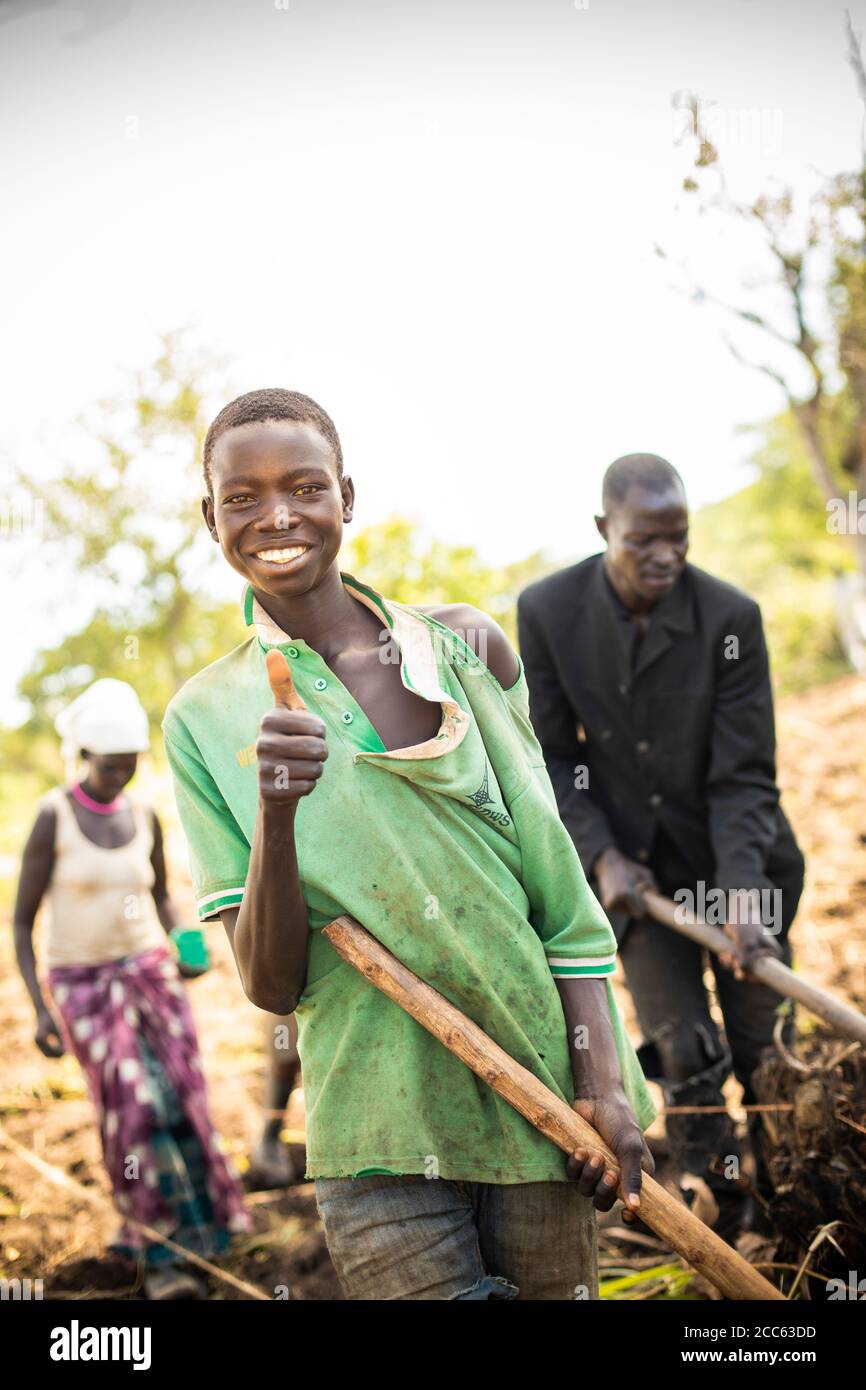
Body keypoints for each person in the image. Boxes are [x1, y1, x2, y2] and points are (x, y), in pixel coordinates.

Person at [162, 388, 657, 1302]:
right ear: (210, 517)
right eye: (242, 498)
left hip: (543, 1103)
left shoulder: (457, 652)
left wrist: (607, 1085)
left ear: (347, 498)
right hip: (375, 1132)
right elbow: (272, 986)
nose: (276, 517)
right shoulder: (203, 717)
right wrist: (276, 814)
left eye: (305, 487)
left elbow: (558, 895)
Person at [517, 453, 805, 1236]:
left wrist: (743, 893)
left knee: (767, 1047)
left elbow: (744, 776)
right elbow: (554, 757)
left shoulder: (729, 618)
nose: (665, 556)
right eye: (644, 540)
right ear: (604, 528)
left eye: (678, 538)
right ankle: (727, 1214)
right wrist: (602, 853)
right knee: (685, 1050)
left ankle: (799, 1206)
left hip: (740, 864)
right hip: (632, 878)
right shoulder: (548, 612)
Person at [12, 679, 249, 1300]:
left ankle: (206, 1232)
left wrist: (187, 944)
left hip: (148, 973)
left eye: (131, 766)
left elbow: (162, 891)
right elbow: (21, 918)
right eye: (111, 766)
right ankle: (156, 1245)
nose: (121, 776)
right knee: (133, 1108)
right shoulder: (53, 815)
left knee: (182, 1099)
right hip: (83, 984)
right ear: (84, 757)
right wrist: (39, 1010)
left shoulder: (143, 814)